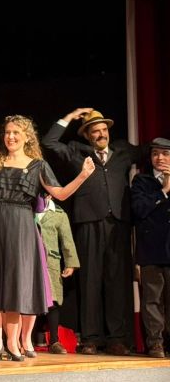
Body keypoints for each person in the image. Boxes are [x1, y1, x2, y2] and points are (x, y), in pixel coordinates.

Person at [0, 111, 94, 362]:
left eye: (16, 133)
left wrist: (83, 176)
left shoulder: (38, 165)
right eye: (7, 132)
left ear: (27, 137)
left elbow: (61, 194)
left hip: (21, 226)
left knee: (14, 285)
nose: (10, 136)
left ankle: (13, 342)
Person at [41, 108, 146, 355]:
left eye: (104, 129)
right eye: (95, 131)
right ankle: (90, 338)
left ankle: (117, 338)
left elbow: (150, 150)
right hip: (88, 222)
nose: (101, 134)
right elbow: (49, 142)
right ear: (88, 135)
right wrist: (69, 117)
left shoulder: (123, 150)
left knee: (117, 281)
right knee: (90, 281)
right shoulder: (77, 151)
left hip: (118, 224)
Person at [131, 137, 170, 358]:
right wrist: (163, 191)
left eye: (165, 154)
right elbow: (139, 209)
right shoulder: (142, 181)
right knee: (152, 300)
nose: (160, 158)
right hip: (151, 251)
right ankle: (155, 343)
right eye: (155, 154)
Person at [35, 195, 79, 354]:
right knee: (30, 299)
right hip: (31, 261)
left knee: (52, 300)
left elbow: (67, 240)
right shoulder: (27, 210)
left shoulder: (59, 213)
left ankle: (54, 340)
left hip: (50, 262)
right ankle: (27, 339)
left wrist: (71, 263)